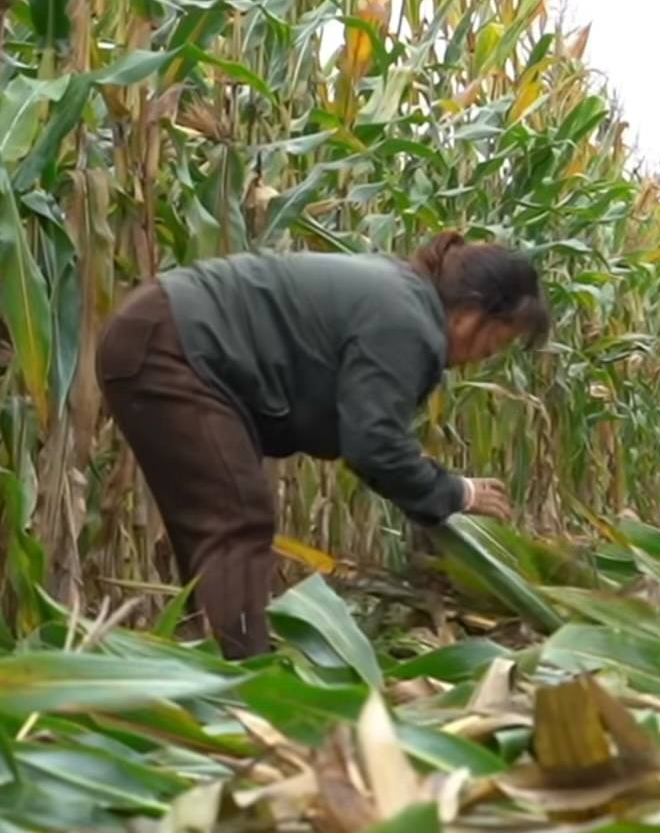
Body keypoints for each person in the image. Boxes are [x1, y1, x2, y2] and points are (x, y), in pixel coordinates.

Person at [94, 233, 548, 659]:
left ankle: (207, 669)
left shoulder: (403, 301)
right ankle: (248, 691)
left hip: (163, 336)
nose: (484, 358)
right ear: (471, 312)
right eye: (496, 342)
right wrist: (457, 493)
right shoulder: (408, 322)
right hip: (173, 346)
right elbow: (374, 444)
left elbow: (370, 434)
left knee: (217, 524)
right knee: (238, 521)